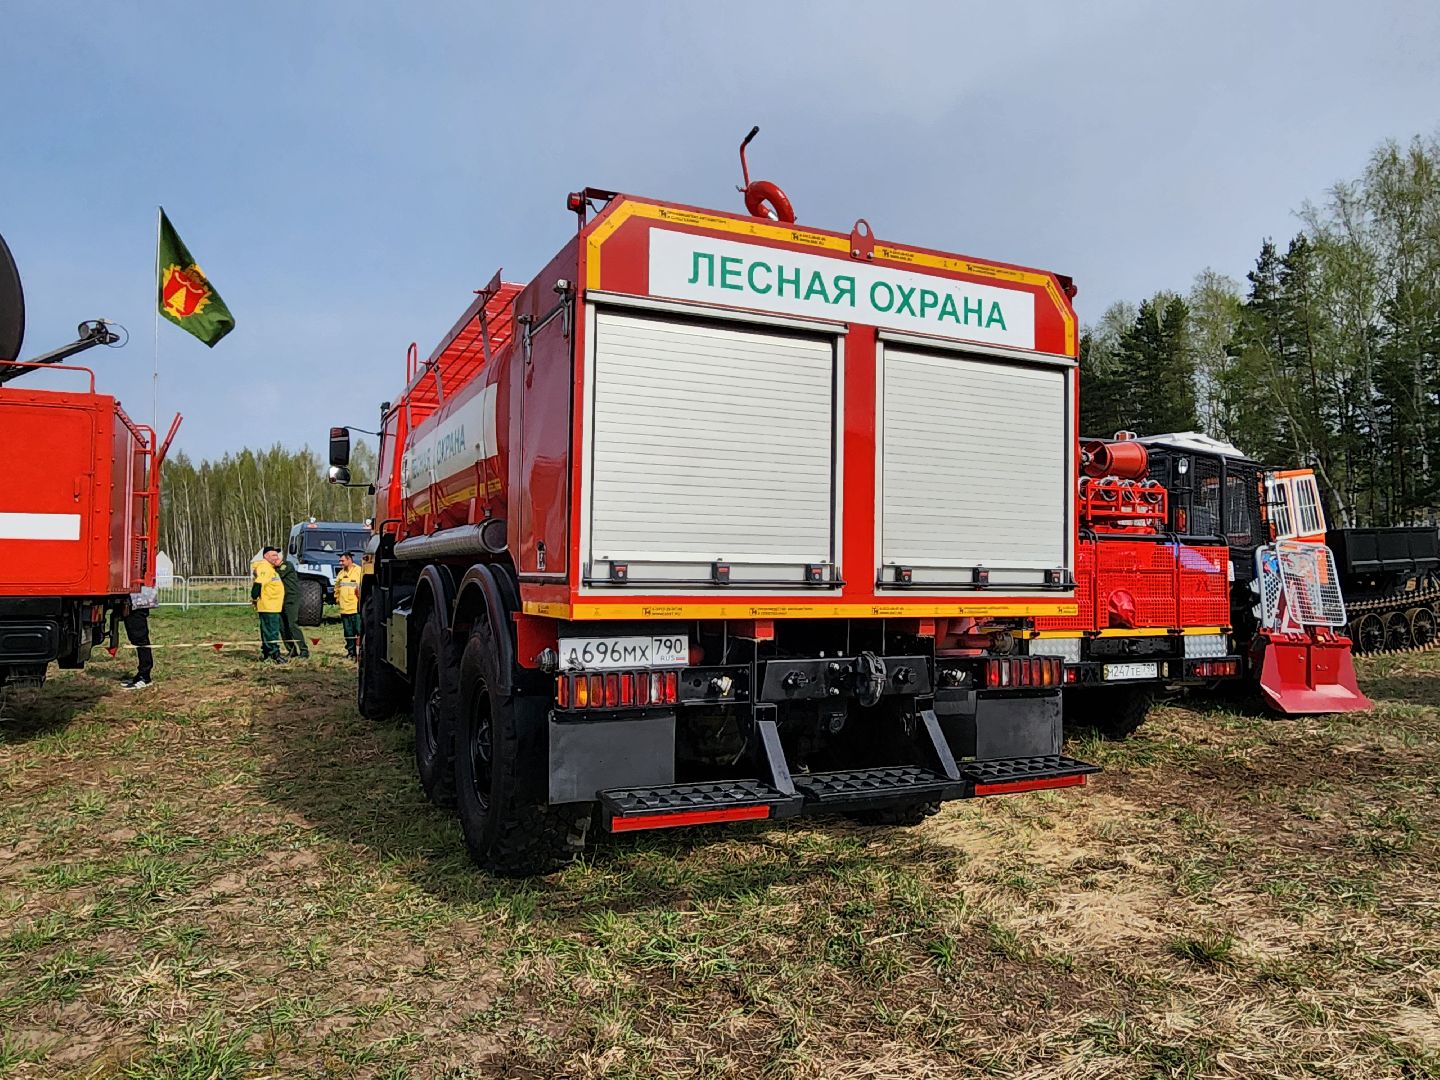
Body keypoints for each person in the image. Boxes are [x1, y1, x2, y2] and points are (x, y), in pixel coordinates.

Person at [251, 547, 287, 664]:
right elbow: (258, 584)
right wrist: (254, 597)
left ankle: (268, 653)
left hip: (273, 605)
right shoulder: (265, 568)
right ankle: (273, 654)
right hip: (268, 606)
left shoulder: (271, 569)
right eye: (273, 555)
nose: (276, 558)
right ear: (266, 556)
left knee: (269, 630)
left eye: (277, 555)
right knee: (272, 631)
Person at [120, 584, 158, 689]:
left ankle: (144, 676)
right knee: (136, 639)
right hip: (135, 602)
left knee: (140, 639)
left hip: (138, 603)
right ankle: (141, 674)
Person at [275, 557, 309, 659]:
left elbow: (278, 575)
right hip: (280, 599)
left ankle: (304, 650)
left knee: (292, 624)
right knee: (282, 626)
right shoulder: (273, 569)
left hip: (291, 598)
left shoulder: (287, 565)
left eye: (276, 557)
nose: (275, 560)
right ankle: (291, 650)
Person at [335, 551, 363, 659]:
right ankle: (351, 652)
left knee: (359, 631)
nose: (340, 563)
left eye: (342, 560)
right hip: (344, 609)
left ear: (349, 560)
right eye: (340, 561)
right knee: (348, 633)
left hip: (355, 609)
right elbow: (337, 588)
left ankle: (360, 652)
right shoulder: (341, 574)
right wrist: (338, 599)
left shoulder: (359, 571)